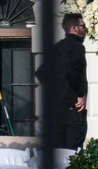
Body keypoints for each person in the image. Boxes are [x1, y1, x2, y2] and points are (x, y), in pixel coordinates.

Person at [36, 13, 88, 150]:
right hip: (73, 109)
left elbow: (41, 73)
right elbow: (70, 71)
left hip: (56, 111)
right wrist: (80, 94)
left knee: (58, 152)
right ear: (75, 28)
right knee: (73, 154)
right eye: (83, 26)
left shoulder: (56, 48)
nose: (85, 29)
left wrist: (56, 92)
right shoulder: (77, 47)